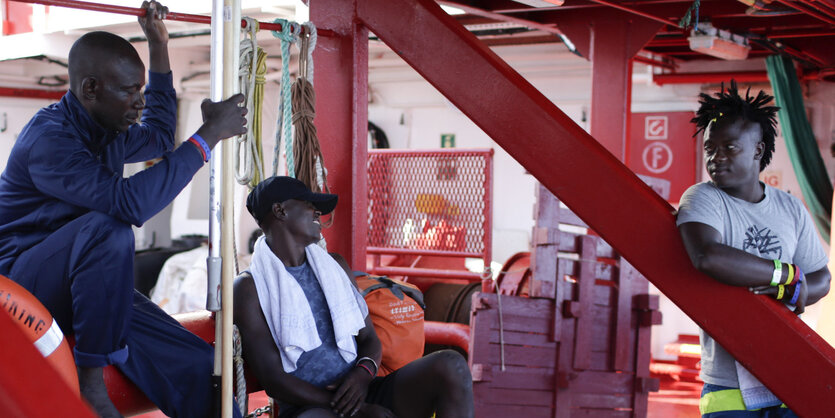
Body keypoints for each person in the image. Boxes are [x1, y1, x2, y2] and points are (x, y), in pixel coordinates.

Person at [0, 1, 247, 417]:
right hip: (22, 287)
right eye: (129, 92)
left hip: (85, 282)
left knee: (198, 365)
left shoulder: (109, 127)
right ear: (90, 89)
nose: (138, 103)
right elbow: (128, 204)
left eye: (142, 91)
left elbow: (159, 136)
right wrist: (207, 137)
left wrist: (159, 44)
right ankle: (91, 383)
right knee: (110, 228)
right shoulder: (49, 140)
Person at [234, 176, 474, 418]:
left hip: (361, 388)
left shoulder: (335, 266)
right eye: (308, 204)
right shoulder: (249, 287)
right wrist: (353, 408)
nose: (318, 212)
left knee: (450, 365)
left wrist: (362, 375)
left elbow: (369, 338)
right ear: (280, 210)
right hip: (310, 406)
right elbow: (274, 379)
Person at [676, 82, 830, 417]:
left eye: (729, 148)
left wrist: (796, 288)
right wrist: (786, 275)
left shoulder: (790, 208)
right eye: (710, 148)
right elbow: (709, 257)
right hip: (729, 384)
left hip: (788, 375)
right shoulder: (703, 198)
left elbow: (821, 279)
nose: (716, 158)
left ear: (758, 150)